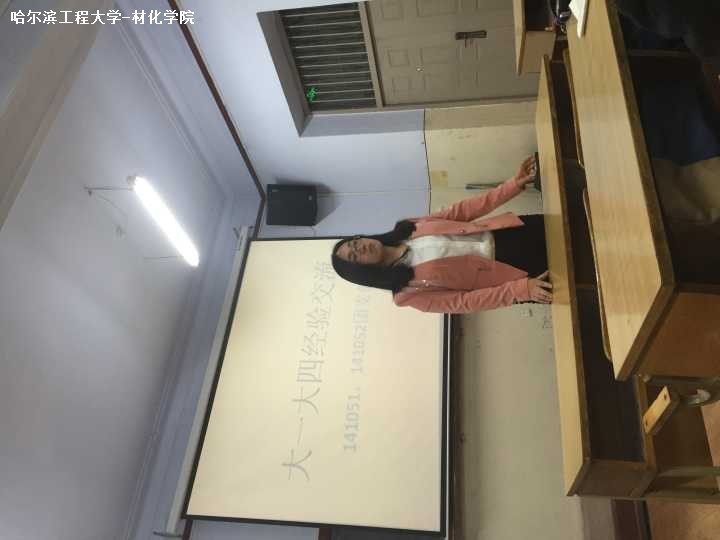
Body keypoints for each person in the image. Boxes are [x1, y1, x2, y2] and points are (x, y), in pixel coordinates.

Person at [331, 155, 553, 314]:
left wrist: (512, 186)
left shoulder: (407, 228)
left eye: (355, 242)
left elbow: (462, 212)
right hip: (515, 274)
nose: (360, 247)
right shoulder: (406, 293)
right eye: (355, 256)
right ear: (361, 271)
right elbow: (465, 302)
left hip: (512, 231)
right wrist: (520, 290)